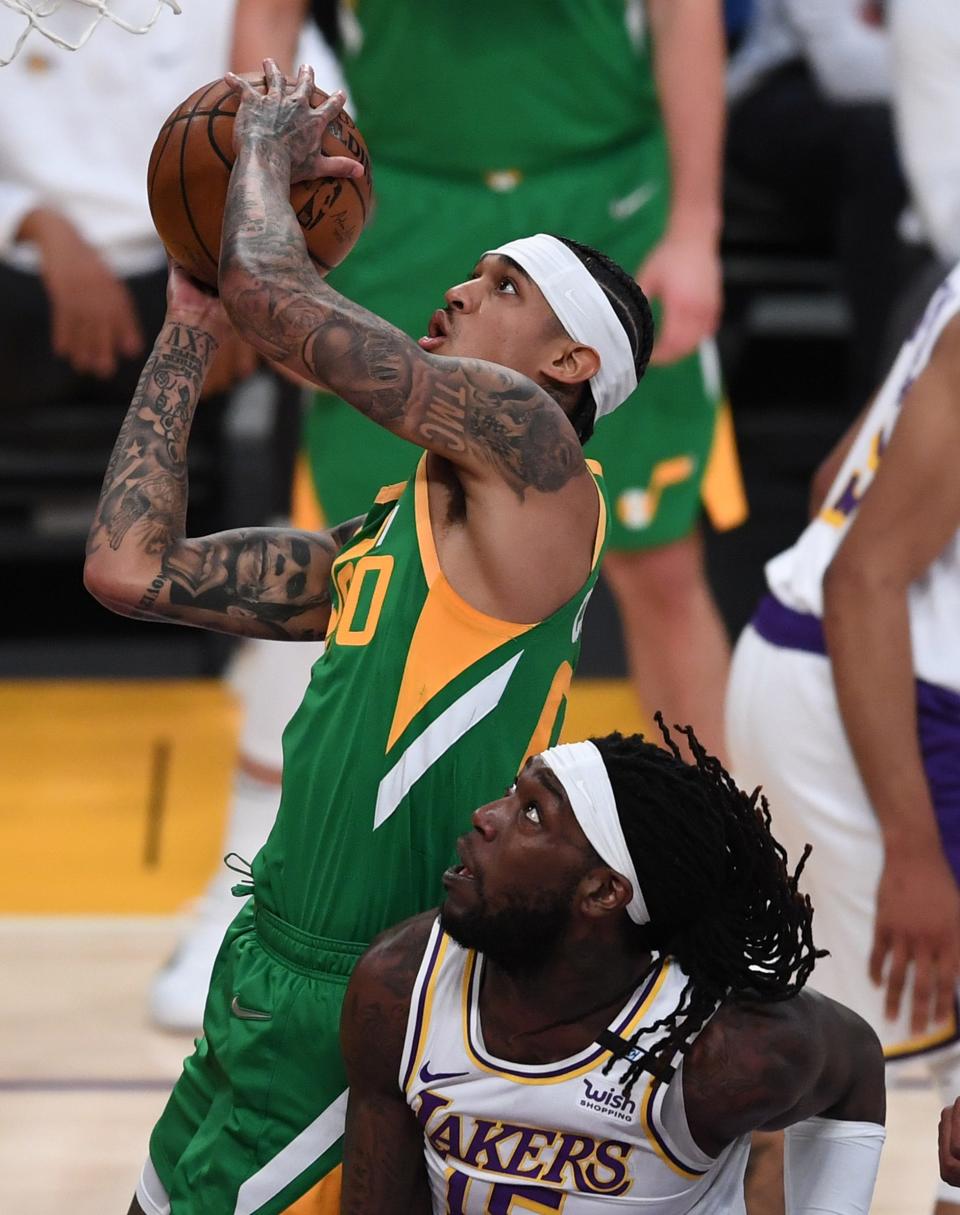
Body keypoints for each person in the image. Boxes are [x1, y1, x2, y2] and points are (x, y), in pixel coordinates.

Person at [83, 65, 655, 1214]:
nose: (454, 288)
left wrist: (260, 147)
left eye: (500, 286)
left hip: (385, 991)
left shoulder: (543, 460)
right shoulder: (389, 537)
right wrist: (191, 330)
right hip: (265, 965)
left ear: (570, 364)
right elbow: (127, 567)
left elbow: (277, 290)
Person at [148, 0, 748, 1033]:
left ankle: (709, 895)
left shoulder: (539, 420)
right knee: (359, 568)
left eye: (492, 288)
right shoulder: (472, 325)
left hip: (603, 185)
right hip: (403, 194)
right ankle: (244, 878)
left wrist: (696, 223)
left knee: (657, 577)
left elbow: (685, 14)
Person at [339, 725, 886, 1213]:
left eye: (531, 812)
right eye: (512, 793)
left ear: (602, 891)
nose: (485, 816)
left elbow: (855, 1060)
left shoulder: (717, 1052)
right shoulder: (402, 984)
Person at [726, 261, 960, 1214]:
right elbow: (861, 575)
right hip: (864, 696)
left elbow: (837, 481)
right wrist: (913, 847)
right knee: (859, 1090)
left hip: (845, 674)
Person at [726, 0, 909, 403]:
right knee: (878, 142)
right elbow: (844, 70)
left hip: (909, 109)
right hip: (773, 98)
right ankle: (884, 397)